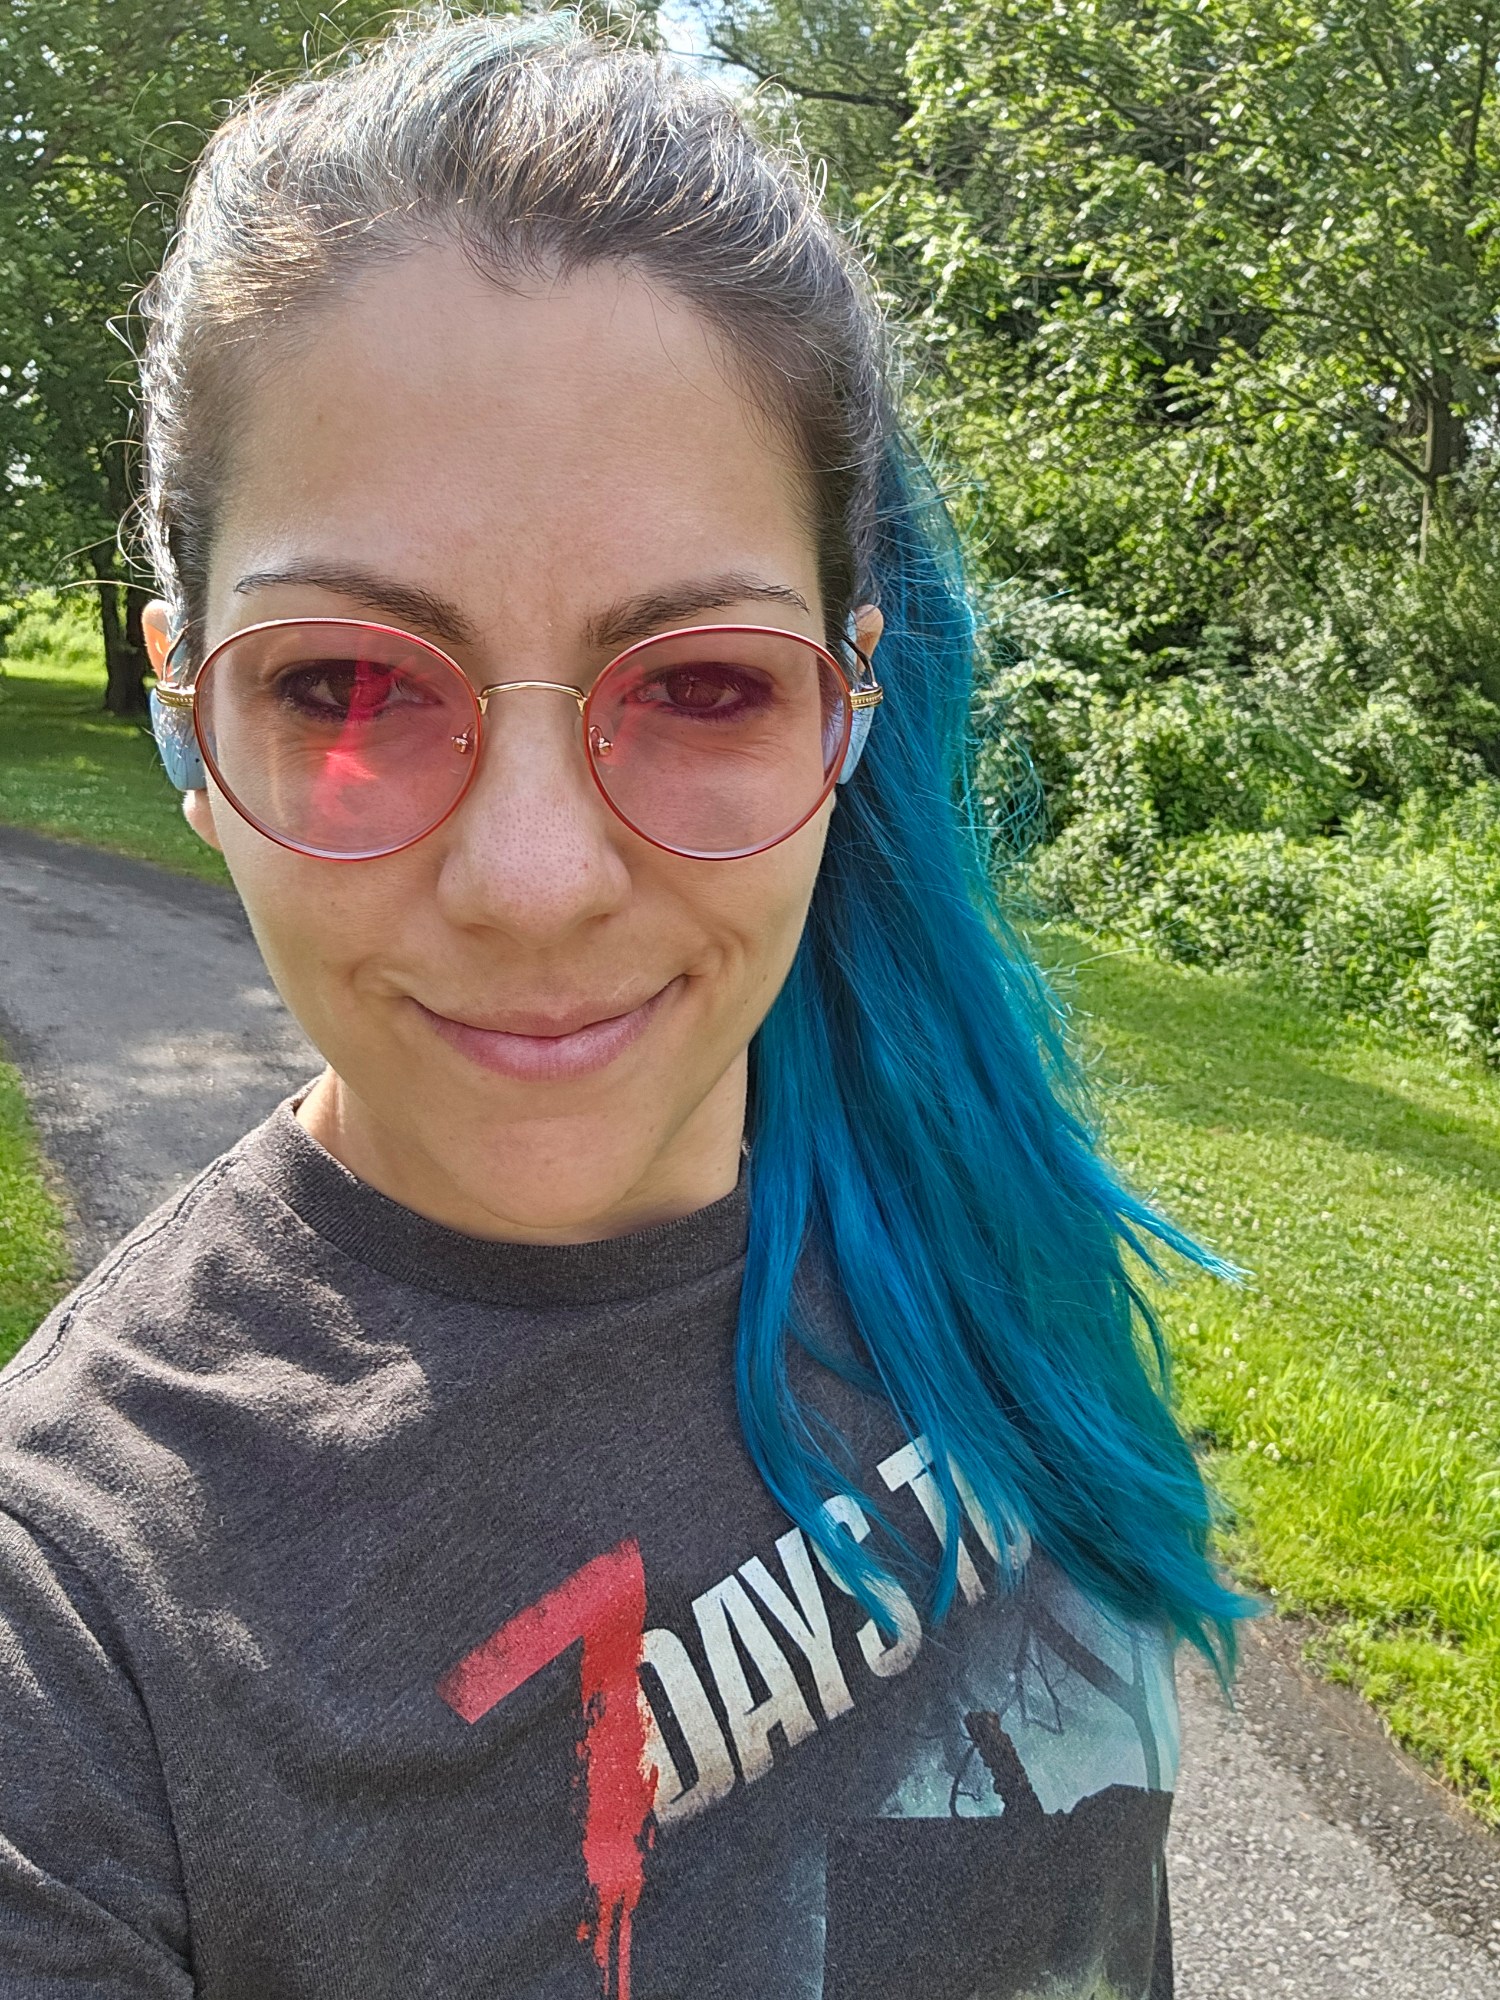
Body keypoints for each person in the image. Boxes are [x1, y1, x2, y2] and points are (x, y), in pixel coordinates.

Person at [0, 13, 1257, 1997]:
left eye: (700, 686)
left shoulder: (965, 1181)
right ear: (186, 713)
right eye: (345, 685)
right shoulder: (77, 1629)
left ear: (846, 704)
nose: (533, 880)